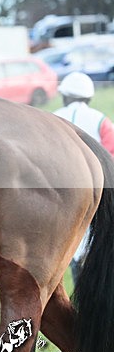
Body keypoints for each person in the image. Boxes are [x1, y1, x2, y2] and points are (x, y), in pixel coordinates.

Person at [53, 71, 114, 285]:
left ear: (66, 96)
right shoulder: (101, 121)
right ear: (88, 97)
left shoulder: (53, 117)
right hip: (96, 193)